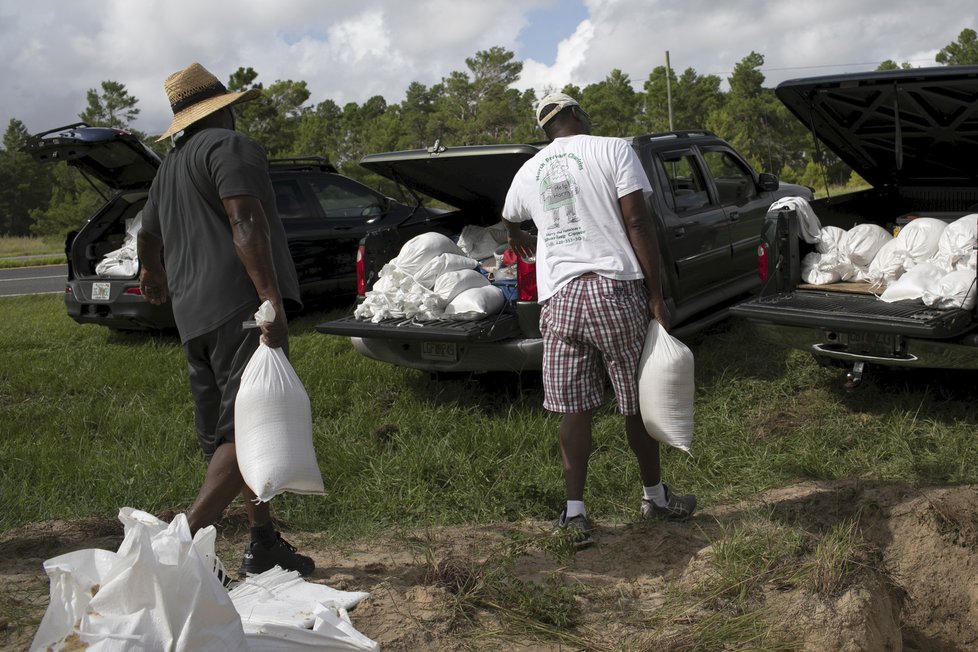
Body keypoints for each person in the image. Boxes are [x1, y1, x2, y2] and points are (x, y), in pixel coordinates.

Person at [137, 62, 314, 576]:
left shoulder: (169, 168)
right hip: (239, 307)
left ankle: (263, 541)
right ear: (225, 108)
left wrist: (153, 274)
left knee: (230, 433)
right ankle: (180, 549)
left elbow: (147, 234)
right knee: (246, 429)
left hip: (192, 318)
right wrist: (270, 301)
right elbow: (244, 218)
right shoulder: (230, 147)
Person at [502, 92, 696, 547]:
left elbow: (509, 214)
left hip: (560, 301)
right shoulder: (613, 148)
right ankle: (656, 499)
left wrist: (518, 236)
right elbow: (639, 224)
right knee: (635, 400)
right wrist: (656, 294)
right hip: (612, 290)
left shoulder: (529, 169)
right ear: (575, 115)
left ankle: (574, 514)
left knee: (574, 410)